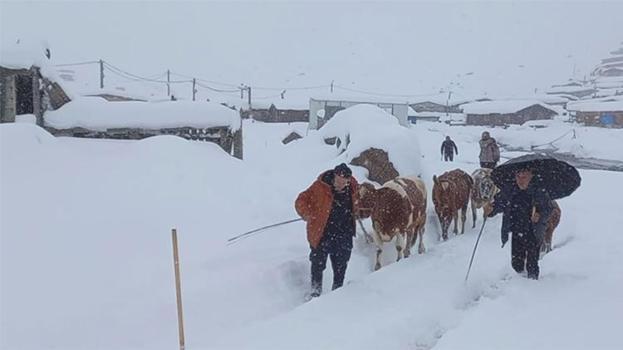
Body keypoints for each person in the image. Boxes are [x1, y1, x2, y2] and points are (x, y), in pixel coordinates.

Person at [295, 163, 360, 298]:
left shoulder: (353, 188)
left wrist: (360, 211)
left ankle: (337, 292)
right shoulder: (320, 186)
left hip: (344, 233)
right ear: (334, 176)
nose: (341, 184)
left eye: (344, 181)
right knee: (318, 263)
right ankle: (315, 291)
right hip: (322, 233)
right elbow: (301, 200)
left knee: (341, 265)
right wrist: (308, 214)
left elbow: (360, 203)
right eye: (338, 180)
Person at [483, 168, 553, 280]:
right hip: (516, 229)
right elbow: (498, 204)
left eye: (524, 177)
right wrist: (490, 210)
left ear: (531, 177)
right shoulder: (510, 190)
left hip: (533, 231)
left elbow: (549, 208)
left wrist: (539, 215)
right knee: (516, 263)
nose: (520, 180)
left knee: (532, 264)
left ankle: (532, 286)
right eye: (518, 177)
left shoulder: (539, 191)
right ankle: (519, 281)